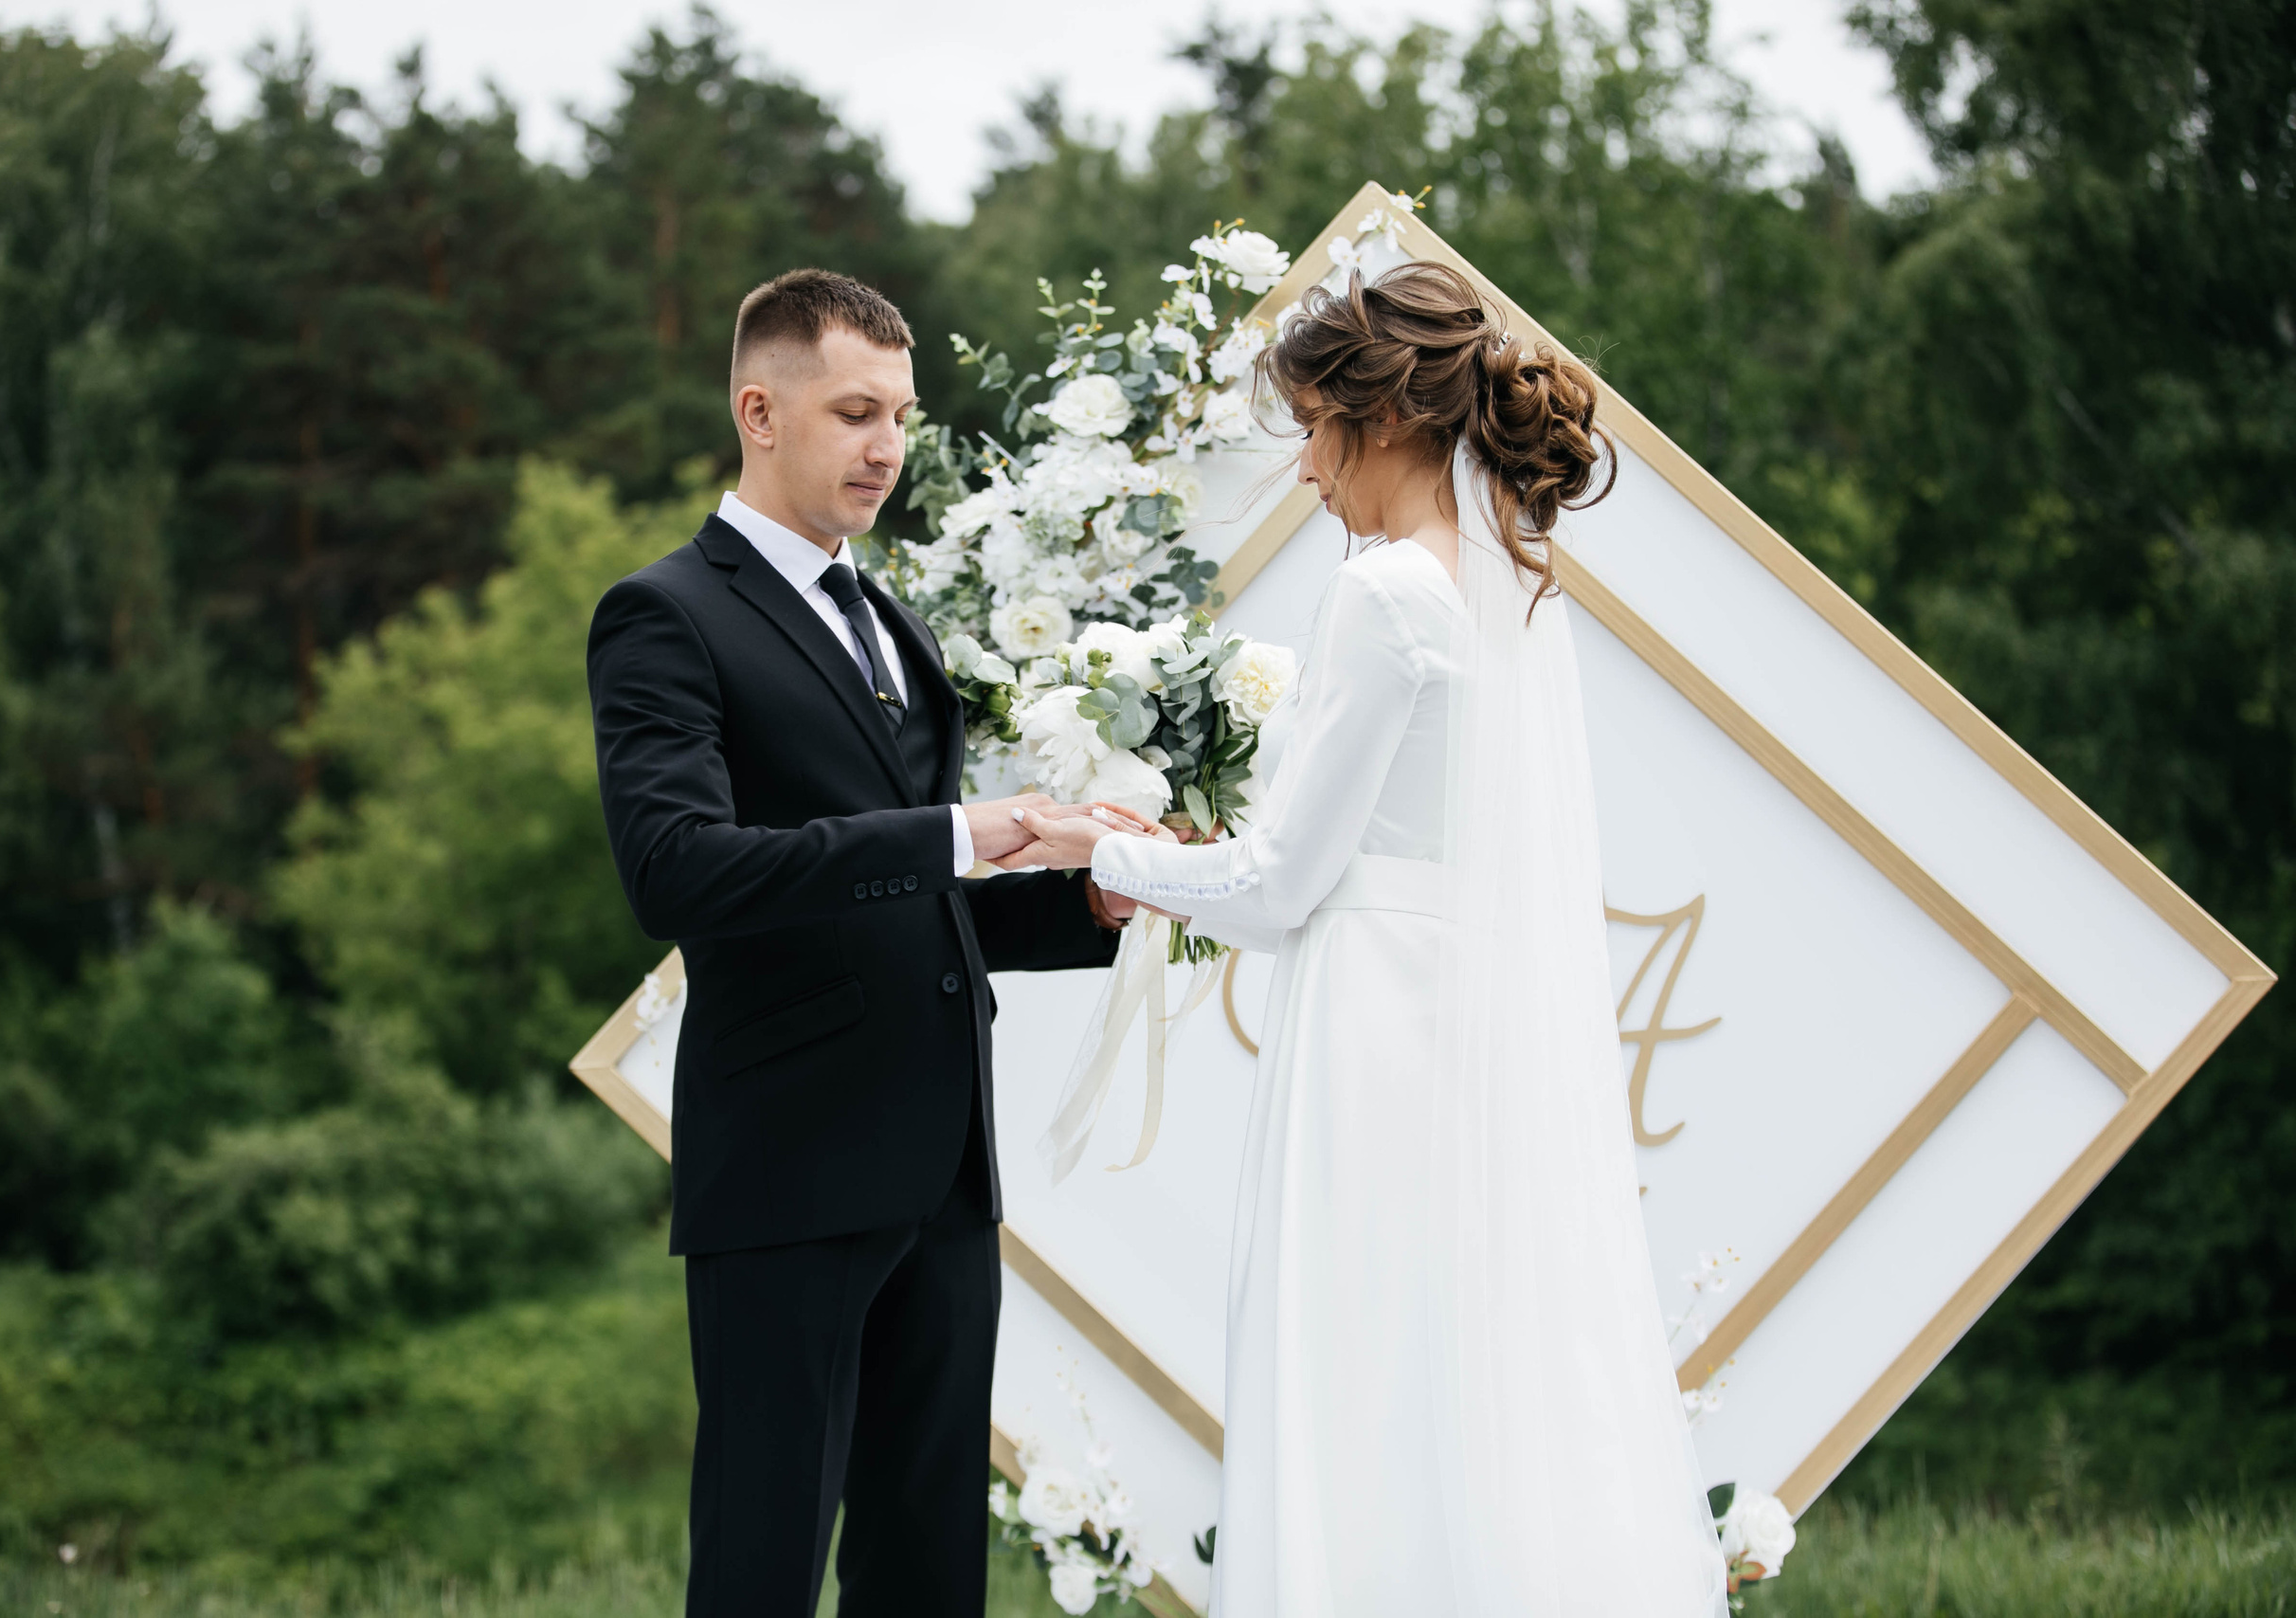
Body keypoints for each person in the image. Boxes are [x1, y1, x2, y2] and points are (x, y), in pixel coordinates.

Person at [1006, 263, 1731, 1616]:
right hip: (1463, 1033)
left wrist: (1090, 849)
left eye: (1312, 432)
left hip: (1373, 1043)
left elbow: (1283, 888)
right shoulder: (1506, 590)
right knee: (1459, 1368)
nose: (1303, 476)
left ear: (1381, 422)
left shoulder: (1388, 594)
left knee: (1356, 1369)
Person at [587, 268, 1131, 1617]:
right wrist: (954, 830)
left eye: (901, 415)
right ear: (759, 411)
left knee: (927, 1568)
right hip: (788, 1169)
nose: (888, 446)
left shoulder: (887, 618)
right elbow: (678, 874)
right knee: (762, 1572)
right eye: (854, 412)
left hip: (944, 1169)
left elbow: (909, 898)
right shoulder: (666, 616)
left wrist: (1086, 900)